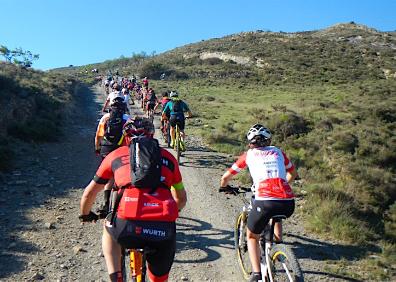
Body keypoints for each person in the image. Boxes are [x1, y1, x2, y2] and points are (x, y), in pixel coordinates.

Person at [80, 117, 187, 282]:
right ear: (152, 134)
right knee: (159, 278)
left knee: (108, 227)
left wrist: (85, 214)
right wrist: (172, 212)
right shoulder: (170, 159)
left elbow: (89, 193)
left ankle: (116, 277)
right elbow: (181, 198)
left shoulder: (116, 155)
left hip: (126, 227)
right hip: (163, 231)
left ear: (126, 137)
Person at [219, 124, 298, 282]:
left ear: (250, 142)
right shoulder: (279, 152)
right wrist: (283, 186)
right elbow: (293, 173)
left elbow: (226, 177)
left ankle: (256, 274)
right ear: (269, 140)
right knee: (276, 213)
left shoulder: (249, 155)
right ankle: (278, 245)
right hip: (288, 202)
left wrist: (224, 187)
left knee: (252, 236)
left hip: (264, 200)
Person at [95, 101, 130, 217]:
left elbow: (98, 136)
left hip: (106, 148)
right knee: (125, 175)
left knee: (109, 176)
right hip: (122, 149)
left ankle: (105, 203)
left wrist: (97, 148)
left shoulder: (105, 118)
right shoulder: (127, 118)